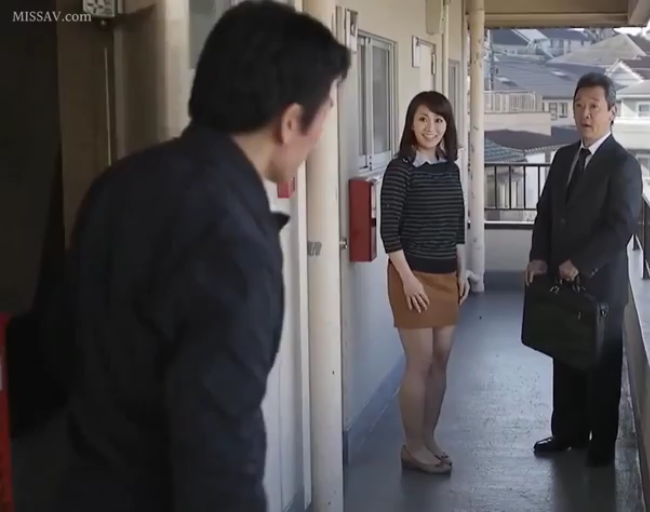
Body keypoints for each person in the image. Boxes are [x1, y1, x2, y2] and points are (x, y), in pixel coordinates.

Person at [51, 2, 351, 511]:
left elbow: (60, 341)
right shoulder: (233, 238)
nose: (321, 133)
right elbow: (219, 454)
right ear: (290, 121)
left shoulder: (118, 182)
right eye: (324, 114)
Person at [525, 72, 643, 468]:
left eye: (594, 106)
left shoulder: (623, 164)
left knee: (602, 366)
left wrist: (582, 263)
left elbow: (620, 227)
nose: (585, 114)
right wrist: (538, 256)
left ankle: (601, 447)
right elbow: (546, 212)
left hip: (601, 285)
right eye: (578, 106)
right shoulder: (564, 157)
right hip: (562, 281)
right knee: (566, 359)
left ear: (612, 112)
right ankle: (567, 434)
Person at [380, 91, 469, 475]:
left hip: (446, 273)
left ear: (447, 126)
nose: (430, 128)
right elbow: (389, 232)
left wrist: (461, 270)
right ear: (411, 124)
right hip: (410, 277)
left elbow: (456, 224)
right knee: (420, 361)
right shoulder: (400, 169)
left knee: (441, 360)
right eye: (422, 119)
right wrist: (409, 280)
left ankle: (429, 438)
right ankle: (412, 446)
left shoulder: (449, 169)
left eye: (438, 120)